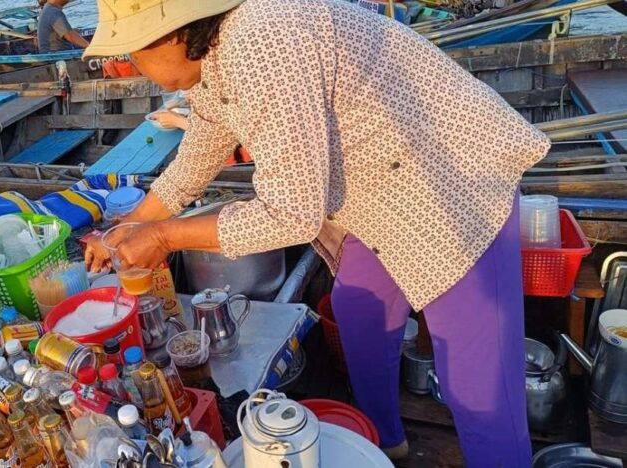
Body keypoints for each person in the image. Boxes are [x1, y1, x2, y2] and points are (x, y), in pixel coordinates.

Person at [82, 0, 550, 466]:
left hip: (452, 179)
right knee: (359, 310)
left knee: (479, 379)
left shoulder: (264, 40)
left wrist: (165, 237)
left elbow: (290, 215)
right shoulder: (214, 52)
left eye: (132, 51)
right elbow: (203, 147)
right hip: (376, 190)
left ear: (173, 34)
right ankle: (383, 442)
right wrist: (133, 223)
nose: (131, 67)